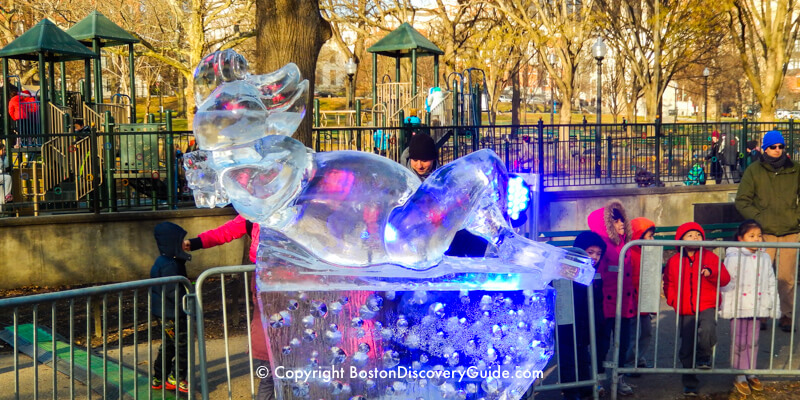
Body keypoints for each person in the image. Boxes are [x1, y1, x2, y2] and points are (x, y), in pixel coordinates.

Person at [183, 216, 275, 400]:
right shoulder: (255, 212)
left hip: (295, 283)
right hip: (265, 280)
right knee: (267, 353)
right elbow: (228, 230)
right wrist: (196, 242)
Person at [735, 130, 799, 333]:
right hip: (764, 233)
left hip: (790, 230)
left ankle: (787, 315)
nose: (777, 150)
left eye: (781, 146)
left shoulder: (796, 169)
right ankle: (760, 313)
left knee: (786, 277)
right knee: (761, 275)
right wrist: (759, 219)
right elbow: (742, 200)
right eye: (773, 147)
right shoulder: (754, 170)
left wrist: (797, 217)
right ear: (765, 149)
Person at [663, 222, 731, 396]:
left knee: (707, 329)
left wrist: (711, 272)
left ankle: (704, 355)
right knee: (686, 348)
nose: (695, 238)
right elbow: (668, 283)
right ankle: (690, 382)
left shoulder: (711, 257)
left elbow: (724, 279)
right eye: (690, 235)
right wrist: (673, 300)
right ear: (681, 239)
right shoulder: (674, 261)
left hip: (707, 303)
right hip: (685, 308)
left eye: (698, 235)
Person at [719, 220, 779, 396]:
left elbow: (770, 281)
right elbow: (727, 284)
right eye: (751, 236)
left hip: (757, 306)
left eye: (759, 235)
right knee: (739, 341)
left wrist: (770, 306)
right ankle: (738, 373)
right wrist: (727, 306)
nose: (756, 239)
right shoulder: (733, 257)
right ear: (740, 238)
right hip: (738, 307)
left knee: (753, 341)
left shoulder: (765, 257)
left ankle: (750, 370)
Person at [586, 200, 635, 396]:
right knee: (602, 343)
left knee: (622, 344)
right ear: (606, 224)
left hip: (624, 303)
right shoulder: (601, 247)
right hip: (605, 305)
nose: (621, 223)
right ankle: (597, 378)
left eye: (622, 219)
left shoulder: (626, 244)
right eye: (616, 221)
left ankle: (618, 378)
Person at [557, 231, 607, 400]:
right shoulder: (565, 272)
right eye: (590, 252)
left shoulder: (594, 274)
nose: (595, 257)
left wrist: (599, 323)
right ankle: (570, 392)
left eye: (599, 253)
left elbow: (597, 304)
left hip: (585, 327)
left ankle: (586, 390)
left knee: (584, 359)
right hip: (567, 327)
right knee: (568, 361)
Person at [150, 222, 192, 393]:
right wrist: (188, 299)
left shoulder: (167, 261)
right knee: (182, 345)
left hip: (164, 313)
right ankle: (177, 377)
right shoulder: (170, 265)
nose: (185, 243)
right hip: (173, 314)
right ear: (172, 243)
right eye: (182, 241)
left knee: (168, 345)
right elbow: (173, 292)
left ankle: (159, 377)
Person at [626, 217, 656, 371]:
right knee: (633, 335)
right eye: (649, 235)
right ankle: (630, 363)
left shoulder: (649, 253)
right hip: (632, 301)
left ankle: (639, 358)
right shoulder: (629, 252)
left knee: (646, 332)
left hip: (644, 299)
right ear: (638, 235)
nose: (652, 239)